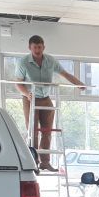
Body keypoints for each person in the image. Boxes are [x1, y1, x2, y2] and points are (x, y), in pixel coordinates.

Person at [15, 35, 85, 171]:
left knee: (47, 131)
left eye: (39, 47)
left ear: (43, 47)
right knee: (33, 131)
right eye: (34, 47)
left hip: (45, 97)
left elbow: (65, 74)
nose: (37, 50)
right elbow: (18, 83)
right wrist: (27, 94)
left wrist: (78, 84)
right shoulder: (23, 62)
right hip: (30, 98)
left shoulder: (50, 60)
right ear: (30, 48)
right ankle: (33, 161)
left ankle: (45, 162)